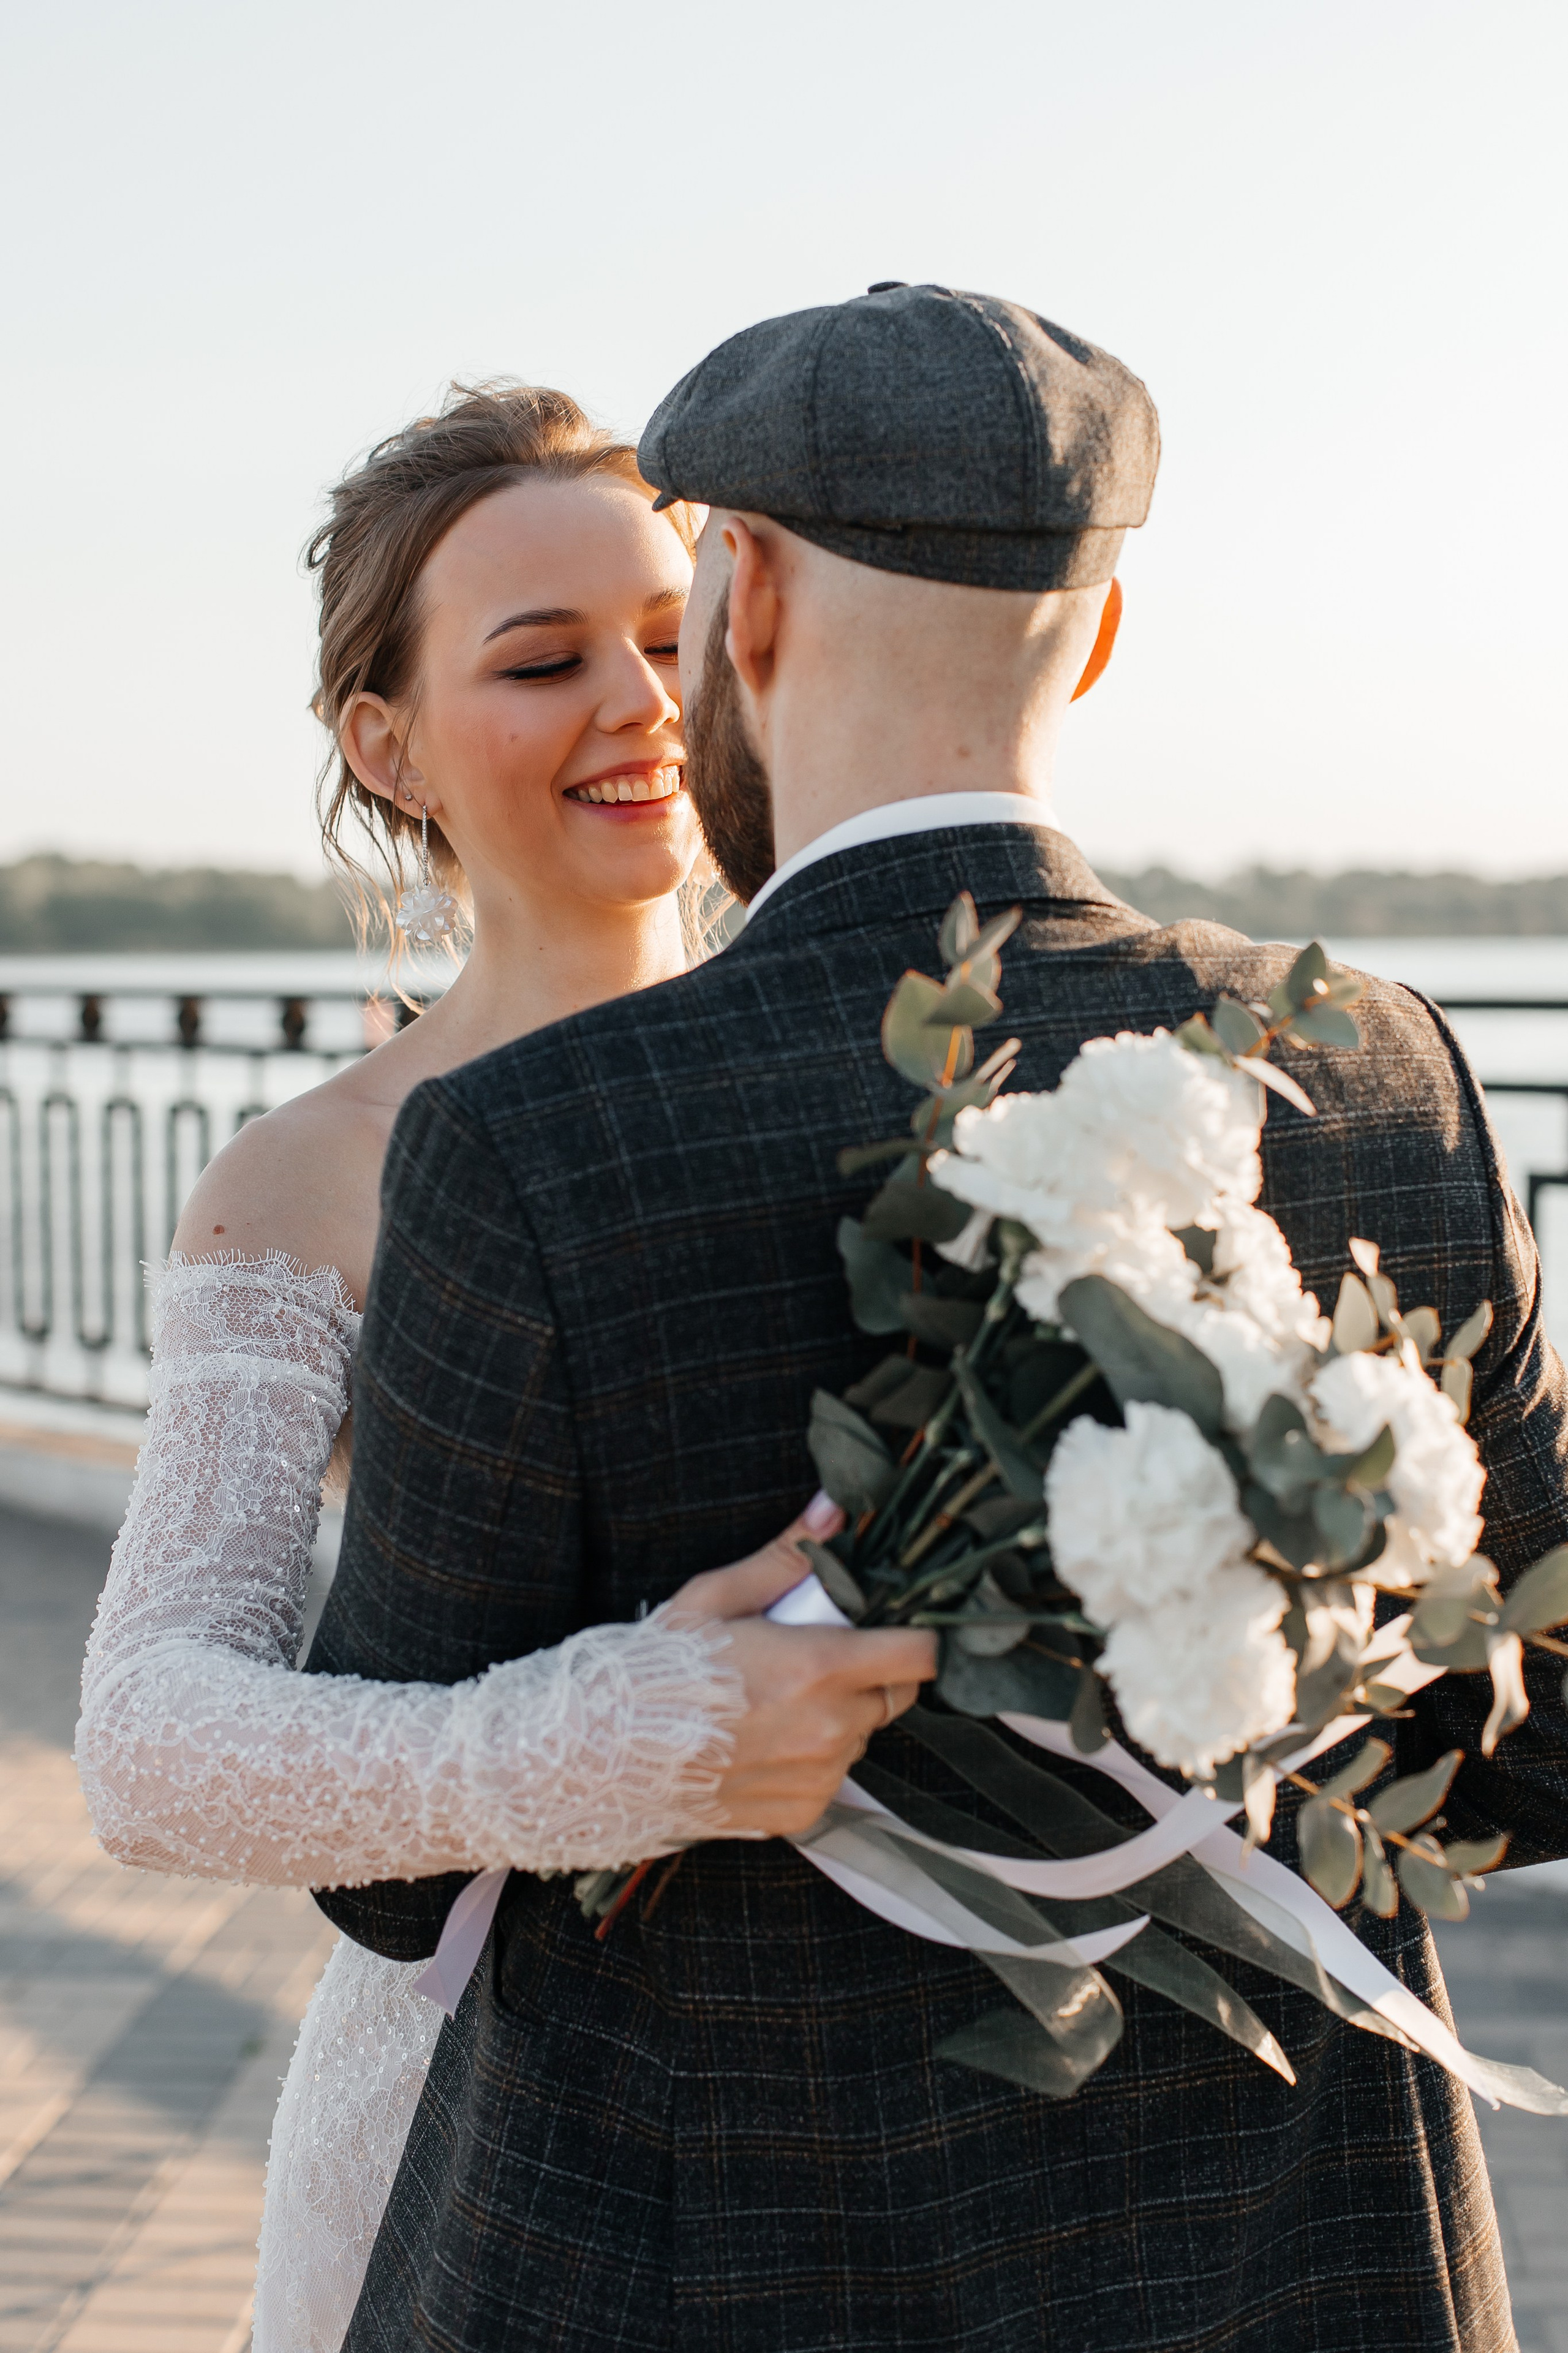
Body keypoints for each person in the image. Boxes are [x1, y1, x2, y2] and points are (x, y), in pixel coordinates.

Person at [311, 286, 1568, 2353]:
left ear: (750, 597)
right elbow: (1530, 1738)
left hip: (707, 2261)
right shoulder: (1383, 1082)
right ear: (1094, 636)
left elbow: (385, 1870)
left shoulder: (529, 1141)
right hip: (1297, 2260)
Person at [73, 380, 933, 2353]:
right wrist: (621, 1734)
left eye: (671, 631)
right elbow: (145, 1740)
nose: (642, 700)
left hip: (886, 2107)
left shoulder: (915, 1076)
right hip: (461, 2117)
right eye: (544, 660)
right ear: (388, 743)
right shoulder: (313, 1174)